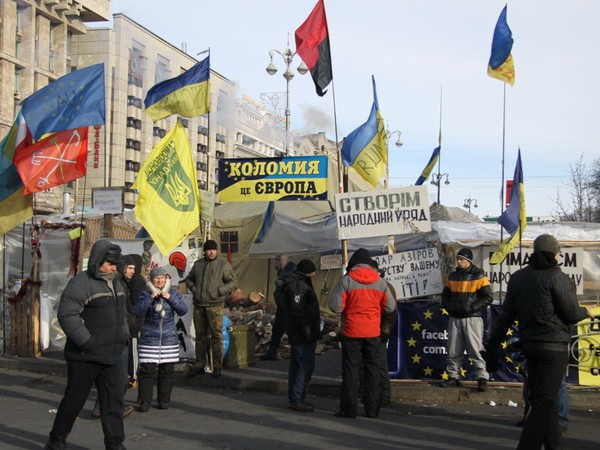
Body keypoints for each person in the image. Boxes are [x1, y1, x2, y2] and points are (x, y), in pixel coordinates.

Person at [483, 234, 592, 450]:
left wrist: (492, 346)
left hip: (530, 346)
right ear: (554, 253)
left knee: (544, 400)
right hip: (554, 348)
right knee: (543, 403)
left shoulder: (519, 278)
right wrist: (585, 311)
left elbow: (505, 317)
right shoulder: (558, 277)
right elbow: (571, 313)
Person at [45, 240, 129, 450]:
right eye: (110, 263)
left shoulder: (116, 282)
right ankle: (56, 441)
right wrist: (87, 341)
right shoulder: (81, 282)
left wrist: (124, 335)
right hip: (85, 355)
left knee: (113, 402)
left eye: (116, 263)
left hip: (112, 354)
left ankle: (115, 445)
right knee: (74, 401)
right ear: (98, 261)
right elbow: (67, 315)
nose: (113, 267)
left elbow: (121, 314)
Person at [329, 248, 396, 419]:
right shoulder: (381, 283)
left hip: (351, 332)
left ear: (354, 264)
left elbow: (335, 307)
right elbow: (390, 307)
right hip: (373, 332)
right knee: (373, 370)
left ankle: (349, 410)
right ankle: (373, 410)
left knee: (351, 371)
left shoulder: (346, 281)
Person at [92, 254, 143, 419]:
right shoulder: (118, 283)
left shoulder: (121, 283)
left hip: (117, 333)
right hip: (118, 335)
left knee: (111, 375)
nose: (132, 272)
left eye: (134, 269)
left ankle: (101, 407)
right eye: (129, 268)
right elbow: (123, 311)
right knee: (119, 377)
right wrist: (131, 325)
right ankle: (113, 408)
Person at [134, 267, 188, 412]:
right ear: (152, 280)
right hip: (149, 337)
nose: (159, 280)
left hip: (168, 338)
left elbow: (183, 310)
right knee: (146, 371)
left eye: (162, 278)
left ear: (166, 279)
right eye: (156, 278)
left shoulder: (173, 293)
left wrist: (169, 298)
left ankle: (164, 400)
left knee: (167, 371)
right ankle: (144, 401)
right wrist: (151, 297)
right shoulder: (145, 293)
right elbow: (138, 311)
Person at [439, 247, 492, 392]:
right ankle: (453, 376)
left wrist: (472, 308)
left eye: (461, 259)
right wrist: (450, 308)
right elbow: (445, 296)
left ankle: (482, 378)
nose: (459, 261)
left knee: (475, 349)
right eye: (458, 259)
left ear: (468, 260)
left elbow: (488, 297)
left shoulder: (479, 275)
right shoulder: (453, 276)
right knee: (453, 349)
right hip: (455, 317)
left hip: (472, 318)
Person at [185, 239, 237, 378]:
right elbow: (189, 279)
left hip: (215, 306)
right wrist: (194, 289)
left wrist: (220, 291)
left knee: (217, 336)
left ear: (217, 251)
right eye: (209, 250)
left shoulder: (223, 264)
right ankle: (199, 364)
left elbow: (233, 282)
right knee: (200, 337)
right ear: (205, 251)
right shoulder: (198, 264)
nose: (211, 252)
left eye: (214, 249)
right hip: (199, 305)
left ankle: (217, 366)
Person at [282, 259, 321, 412]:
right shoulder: (299, 285)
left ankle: (296, 398)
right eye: (313, 271)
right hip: (302, 333)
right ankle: (297, 398)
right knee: (304, 365)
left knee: (297, 365)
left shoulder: (298, 282)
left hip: (298, 331)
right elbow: (298, 311)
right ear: (307, 272)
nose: (315, 274)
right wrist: (307, 330)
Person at [359, 266, 398, 407]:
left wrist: (385, 332)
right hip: (369, 330)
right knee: (365, 364)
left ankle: (384, 397)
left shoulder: (384, 286)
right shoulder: (376, 286)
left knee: (380, 364)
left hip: (377, 331)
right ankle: (365, 394)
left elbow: (391, 312)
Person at [260, 255, 297, 361]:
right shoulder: (281, 271)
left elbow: (290, 284)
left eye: (277, 261)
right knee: (277, 329)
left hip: (289, 306)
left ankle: (295, 352)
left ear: (283, 260)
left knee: (290, 330)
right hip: (282, 306)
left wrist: (282, 282)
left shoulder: (291, 269)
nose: (275, 264)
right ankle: (272, 352)